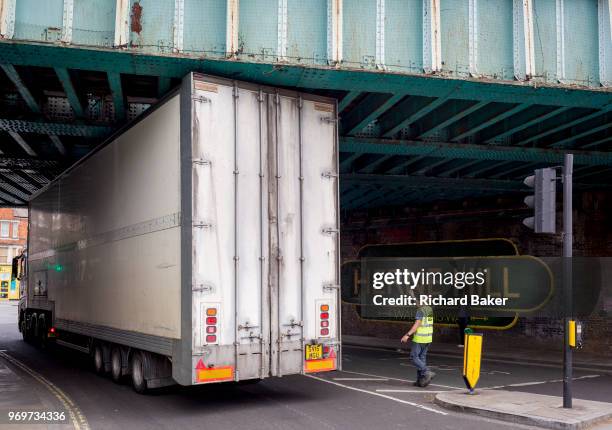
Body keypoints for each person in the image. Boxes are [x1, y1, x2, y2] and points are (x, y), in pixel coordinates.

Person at [401, 305, 435, 387]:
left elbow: (417, 324)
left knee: (414, 357)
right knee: (421, 358)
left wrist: (407, 335)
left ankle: (426, 371)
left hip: (420, 338)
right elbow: (430, 323)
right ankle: (421, 381)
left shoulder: (420, 310)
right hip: (428, 337)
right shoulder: (429, 309)